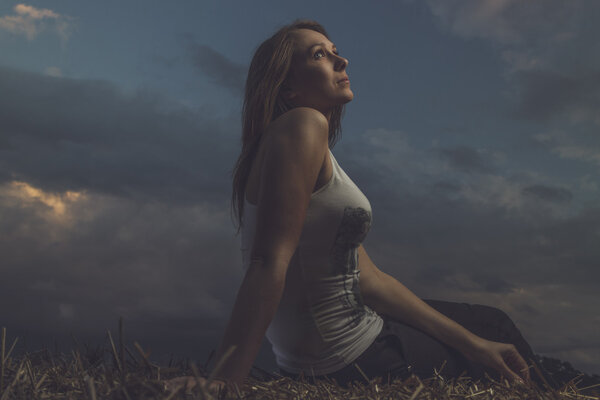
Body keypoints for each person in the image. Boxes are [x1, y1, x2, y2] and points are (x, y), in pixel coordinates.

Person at [165, 19, 558, 395]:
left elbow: (369, 280)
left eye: (336, 51)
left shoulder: (295, 145)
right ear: (287, 89)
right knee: (498, 325)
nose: (342, 60)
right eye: (320, 55)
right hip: (356, 357)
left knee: (487, 329)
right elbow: (268, 260)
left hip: (326, 356)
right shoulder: (304, 124)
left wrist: (475, 344)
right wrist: (226, 378)